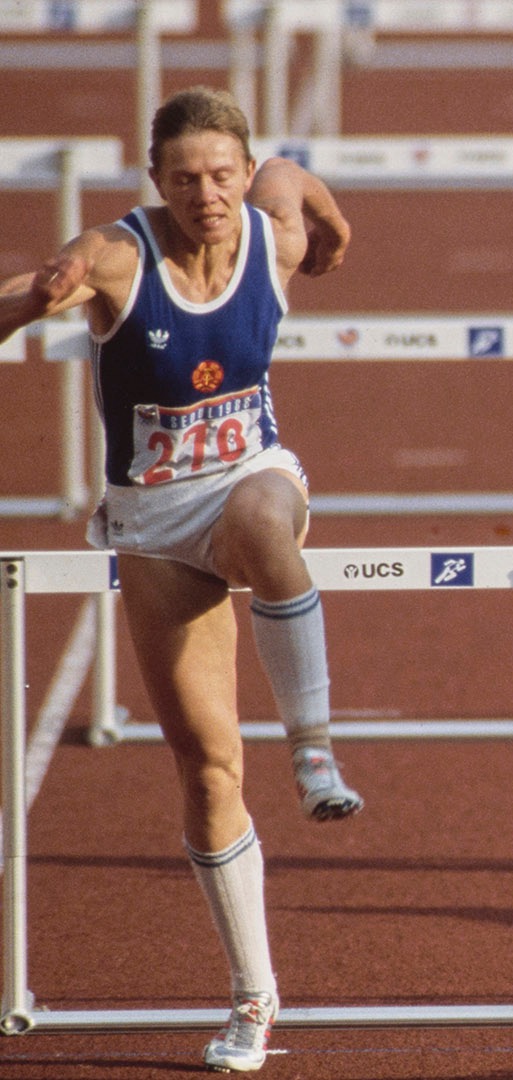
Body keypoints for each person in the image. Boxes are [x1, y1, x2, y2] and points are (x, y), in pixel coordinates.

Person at [0, 86, 364, 1071]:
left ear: (244, 173)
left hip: (253, 479)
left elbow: (300, 186)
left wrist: (333, 234)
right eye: (185, 179)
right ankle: (253, 995)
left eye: (221, 175)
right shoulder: (116, 257)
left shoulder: (271, 224)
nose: (206, 195)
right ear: (155, 180)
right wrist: (35, 298)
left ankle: (315, 752)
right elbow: (30, 296)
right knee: (206, 770)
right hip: (154, 525)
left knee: (264, 520)